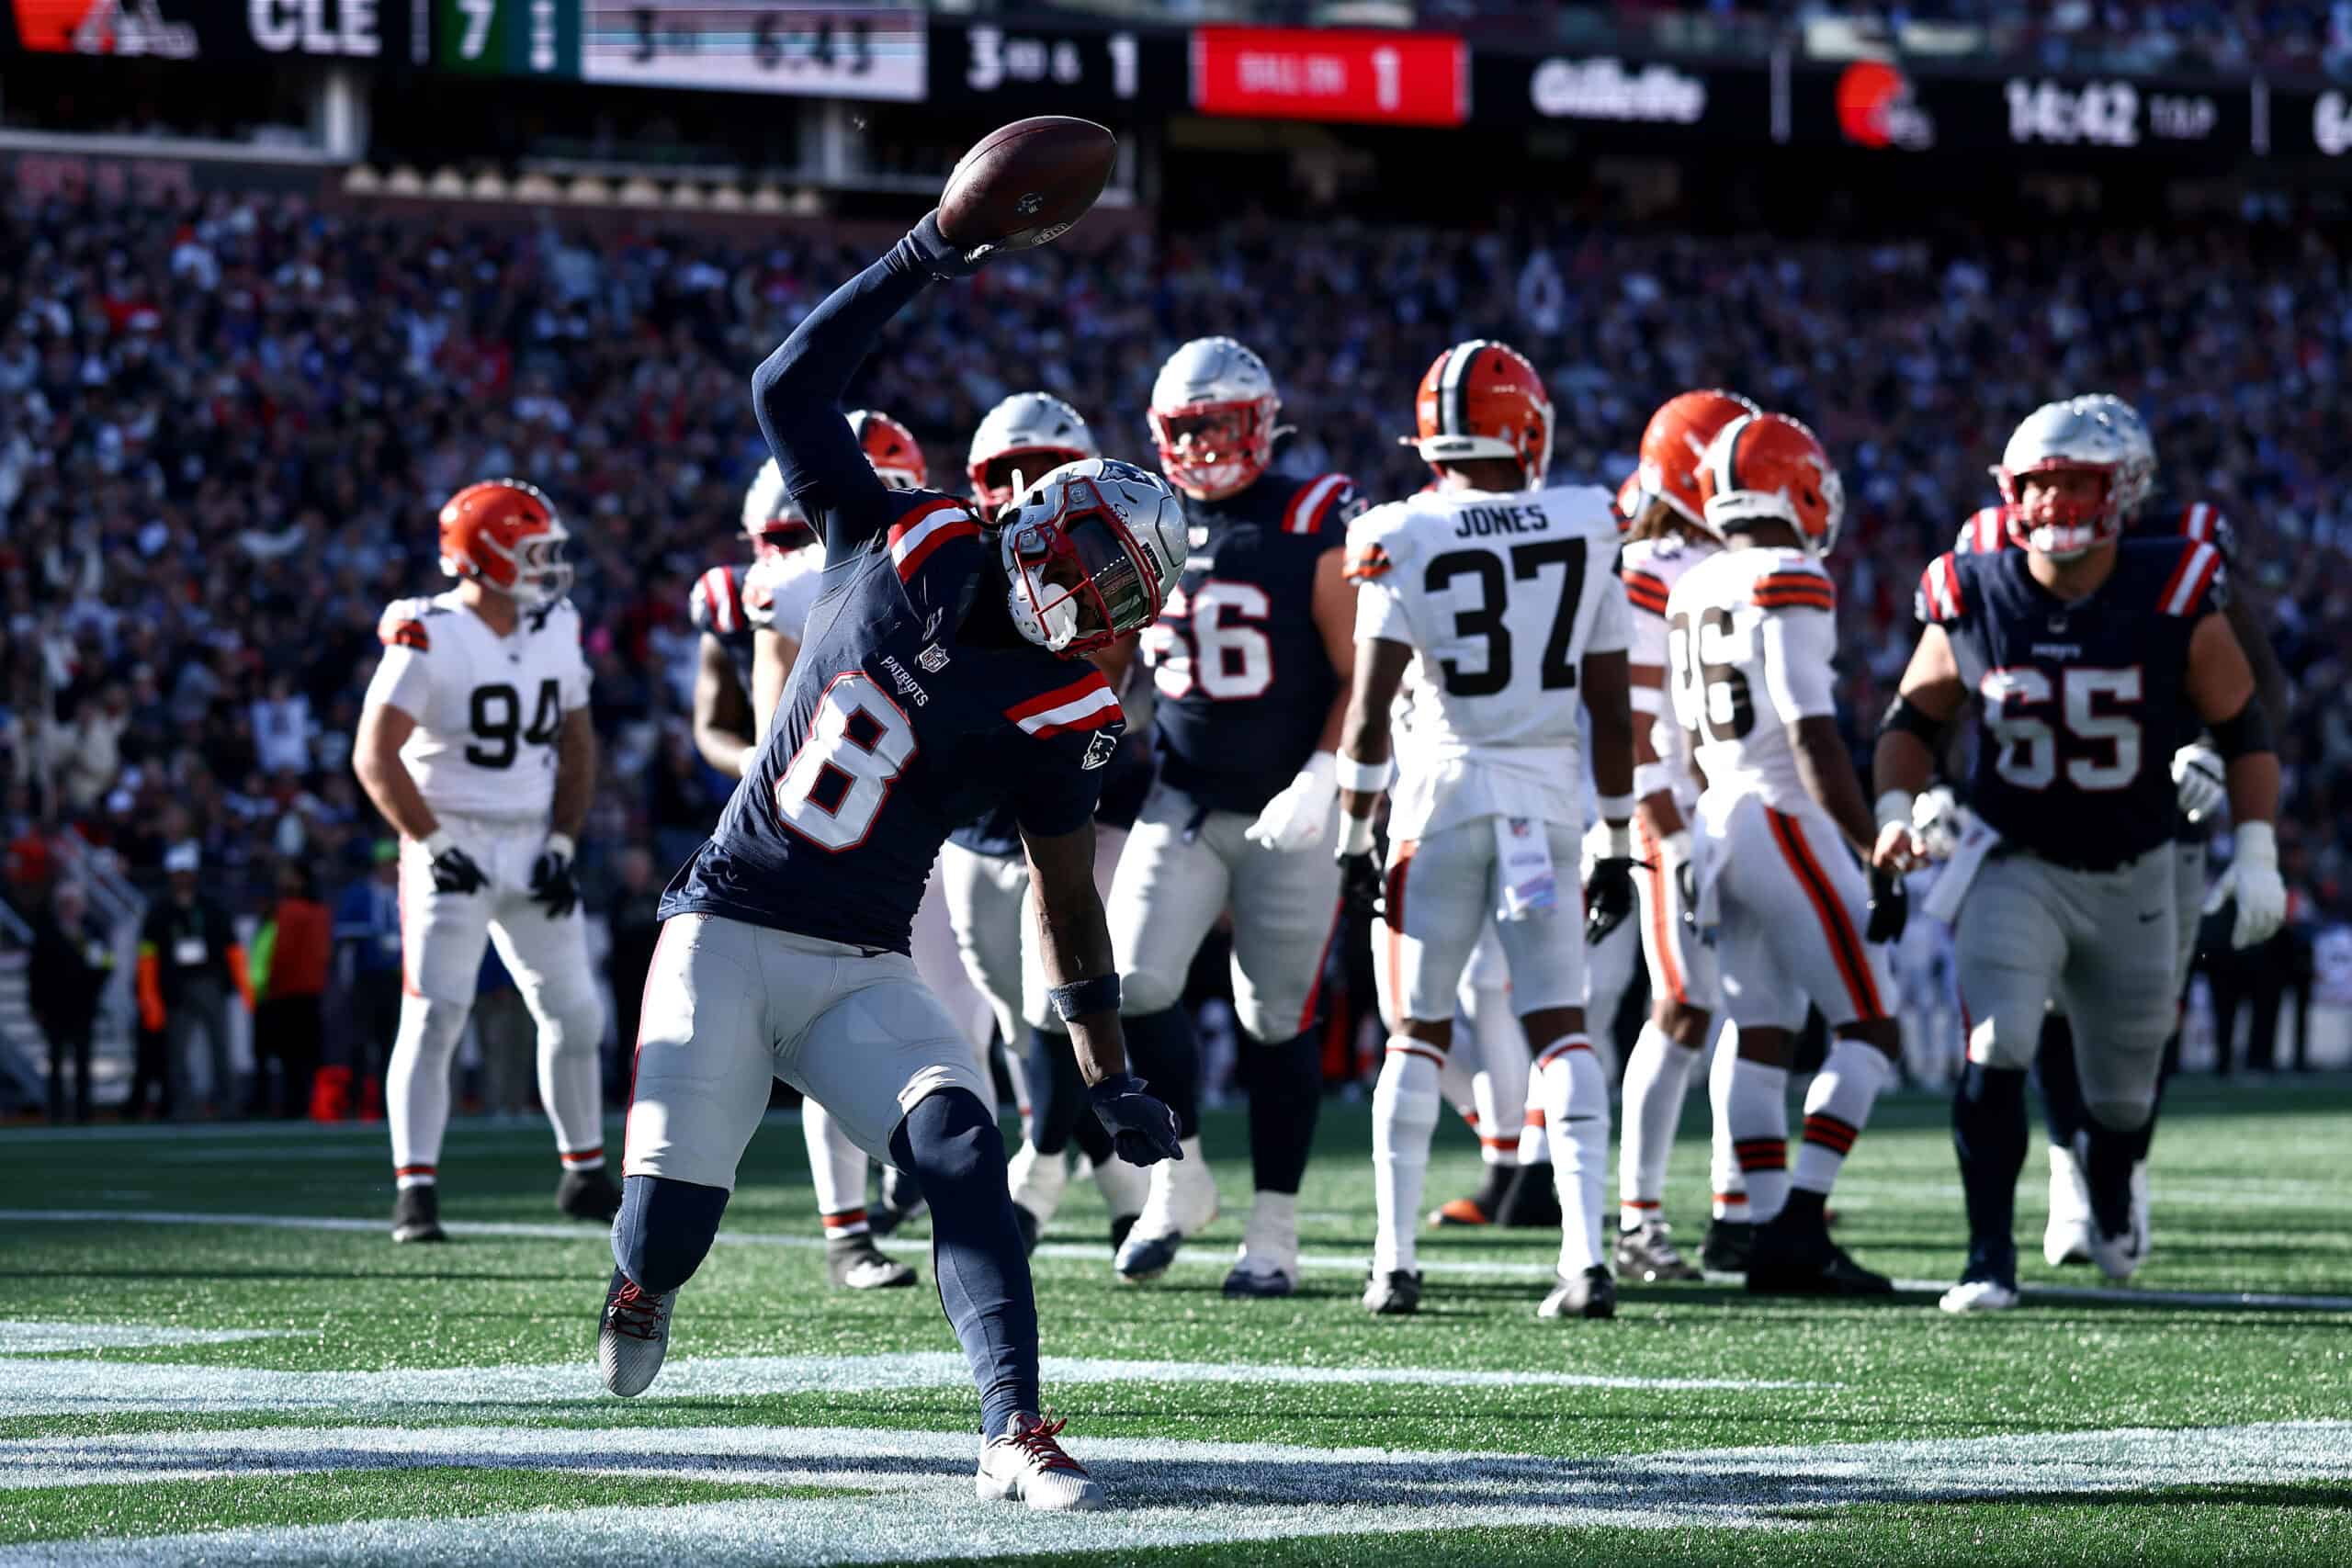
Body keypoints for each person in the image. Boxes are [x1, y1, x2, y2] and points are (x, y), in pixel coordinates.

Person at [602, 211, 1187, 1512]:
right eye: (1097, 574)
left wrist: (1106, 1068)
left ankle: (1013, 1425)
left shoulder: (1064, 709)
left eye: (1123, 598)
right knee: (668, 1230)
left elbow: (1065, 892)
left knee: (965, 1151)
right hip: (725, 925)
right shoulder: (901, 534)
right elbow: (784, 388)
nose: (1101, 614)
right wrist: (932, 248)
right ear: (1039, 523)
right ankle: (640, 1278)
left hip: (861, 960)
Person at [1874, 397, 2286, 1311]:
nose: (2055, 502)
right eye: (2039, 483)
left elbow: (2244, 720)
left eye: (2076, 482)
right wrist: (1900, 806)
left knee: (2124, 1091)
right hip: (2013, 857)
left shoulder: (2172, 581)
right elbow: (1911, 719)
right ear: (2009, 492)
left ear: (2119, 489)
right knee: (1998, 1039)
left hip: (2139, 863)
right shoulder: (1974, 584)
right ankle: (1988, 1259)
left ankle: (2106, 1176)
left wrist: (2252, 846)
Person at [1335, 339, 1637, 1319]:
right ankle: (1586, 1261)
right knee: (1560, 1025)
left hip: (1438, 802)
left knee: (1417, 1034)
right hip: (1545, 809)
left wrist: (1350, 835)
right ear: (1527, 428)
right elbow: (1609, 699)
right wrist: (1618, 841)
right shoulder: (1590, 520)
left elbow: (1370, 709)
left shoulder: (1401, 530)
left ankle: (1393, 1262)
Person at [1103, 336, 1364, 1295]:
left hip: (1289, 805)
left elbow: (1360, 667)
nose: (1206, 442)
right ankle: (1181, 1180)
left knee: (1273, 1017)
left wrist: (1329, 771)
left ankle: (1275, 1231)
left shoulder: (1311, 514)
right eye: (1189, 425)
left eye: (1222, 421)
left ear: (1260, 420)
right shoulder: (1142, 516)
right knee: (1131, 982)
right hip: (1181, 795)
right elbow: (1126, 666)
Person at [1665, 412, 1905, 1296]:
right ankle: (1799, 1219)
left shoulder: (1694, 581)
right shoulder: (1790, 572)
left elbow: (1690, 739)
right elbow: (1810, 729)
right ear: (1794, 485)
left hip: (1720, 818)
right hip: (1782, 812)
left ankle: (1762, 1228)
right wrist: (1869, 838)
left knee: (1759, 1031)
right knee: (1871, 1025)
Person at [353, 479, 616, 1243]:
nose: (547, 566)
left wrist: (565, 839)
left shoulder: (557, 624)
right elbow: (375, 755)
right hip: (453, 833)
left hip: (534, 836)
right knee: (436, 1012)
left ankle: (583, 1171)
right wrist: (433, 843)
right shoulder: (429, 632)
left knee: (577, 1011)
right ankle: (417, 1190)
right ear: (487, 553)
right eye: (532, 550)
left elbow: (577, 741)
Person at [940, 392, 1149, 1256]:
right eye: (1008, 474)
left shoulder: (1102, 562)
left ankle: (1039, 1166)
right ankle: (1123, 1190)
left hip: (1070, 817)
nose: (1026, 488)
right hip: (969, 828)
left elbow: (1104, 673)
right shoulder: (955, 561)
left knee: (1053, 1004)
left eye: (1045, 471)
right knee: (1010, 1003)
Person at [745, 413, 938, 1292]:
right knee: (828, 1020)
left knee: (946, 1026)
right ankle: (846, 1229)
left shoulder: (947, 568)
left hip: (921, 838)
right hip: (827, 837)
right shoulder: (795, 582)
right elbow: (759, 735)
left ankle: (914, 1180)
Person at [1611, 388, 1761, 1280]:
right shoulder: (1644, 569)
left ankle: (1739, 1207)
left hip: (1735, 808)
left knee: (1751, 1000)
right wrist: (1666, 831)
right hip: (1670, 812)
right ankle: (1637, 1219)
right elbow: (1633, 725)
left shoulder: (1742, 561)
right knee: (1681, 1003)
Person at [687, 458, 817, 781]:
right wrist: (755, 763)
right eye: (783, 540)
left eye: (805, 542)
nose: (795, 557)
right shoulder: (734, 599)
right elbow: (712, 727)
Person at [136, 842, 252, 1119]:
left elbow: (232, 948)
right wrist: (149, 996)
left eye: (186, 871)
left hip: (209, 981)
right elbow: (147, 956)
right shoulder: (160, 911)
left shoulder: (211, 907)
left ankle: (228, 1104)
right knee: (178, 1051)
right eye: (177, 872)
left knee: (221, 1047)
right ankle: (183, 1106)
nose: (182, 877)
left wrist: (243, 986)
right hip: (176, 987)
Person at [251, 860, 330, 1119]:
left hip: (286, 993)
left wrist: (270, 985)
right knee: (305, 1055)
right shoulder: (319, 911)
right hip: (309, 991)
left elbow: (280, 954)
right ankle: (310, 1104)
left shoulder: (288, 911)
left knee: (289, 1055)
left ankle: (291, 1106)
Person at [30, 880, 113, 1124]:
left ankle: (82, 1112)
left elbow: (107, 963)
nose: (68, 908)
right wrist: (36, 1004)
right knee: (55, 1062)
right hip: (55, 1007)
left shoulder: (92, 931)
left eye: (72, 903)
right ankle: (56, 1112)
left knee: (83, 1061)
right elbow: (36, 972)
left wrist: (94, 987)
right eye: (64, 904)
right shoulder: (47, 932)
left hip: (83, 1006)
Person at [332, 841, 404, 1116]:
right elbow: (344, 932)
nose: (390, 869)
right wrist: (374, 935)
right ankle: (356, 1101)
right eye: (385, 863)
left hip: (396, 978)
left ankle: (391, 1105)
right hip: (367, 978)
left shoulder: (406, 892)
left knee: (392, 1043)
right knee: (360, 1042)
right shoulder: (359, 894)